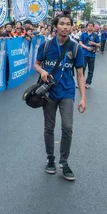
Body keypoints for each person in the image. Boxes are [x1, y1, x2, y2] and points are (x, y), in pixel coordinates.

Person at [34, 11, 87, 181]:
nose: (65, 27)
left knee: (67, 127)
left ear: (71, 27)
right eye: (62, 24)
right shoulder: (47, 46)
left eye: (68, 24)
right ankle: (50, 160)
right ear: (55, 27)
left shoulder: (76, 48)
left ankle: (64, 162)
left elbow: (80, 75)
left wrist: (83, 98)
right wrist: (42, 71)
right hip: (49, 93)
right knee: (49, 128)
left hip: (67, 92)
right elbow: (36, 64)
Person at [79, 22, 100, 89]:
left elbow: (99, 44)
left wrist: (93, 43)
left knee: (91, 70)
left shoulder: (95, 35)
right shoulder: (83, 34)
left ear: (93, 27)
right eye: (89, 26)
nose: (90, 27)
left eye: (91, 26)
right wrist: (86, 47)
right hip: (84, 54)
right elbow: (80, 43)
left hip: (92, 55)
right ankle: (81, 82)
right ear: (87, 27)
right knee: (82, 69)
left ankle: (88, 82)